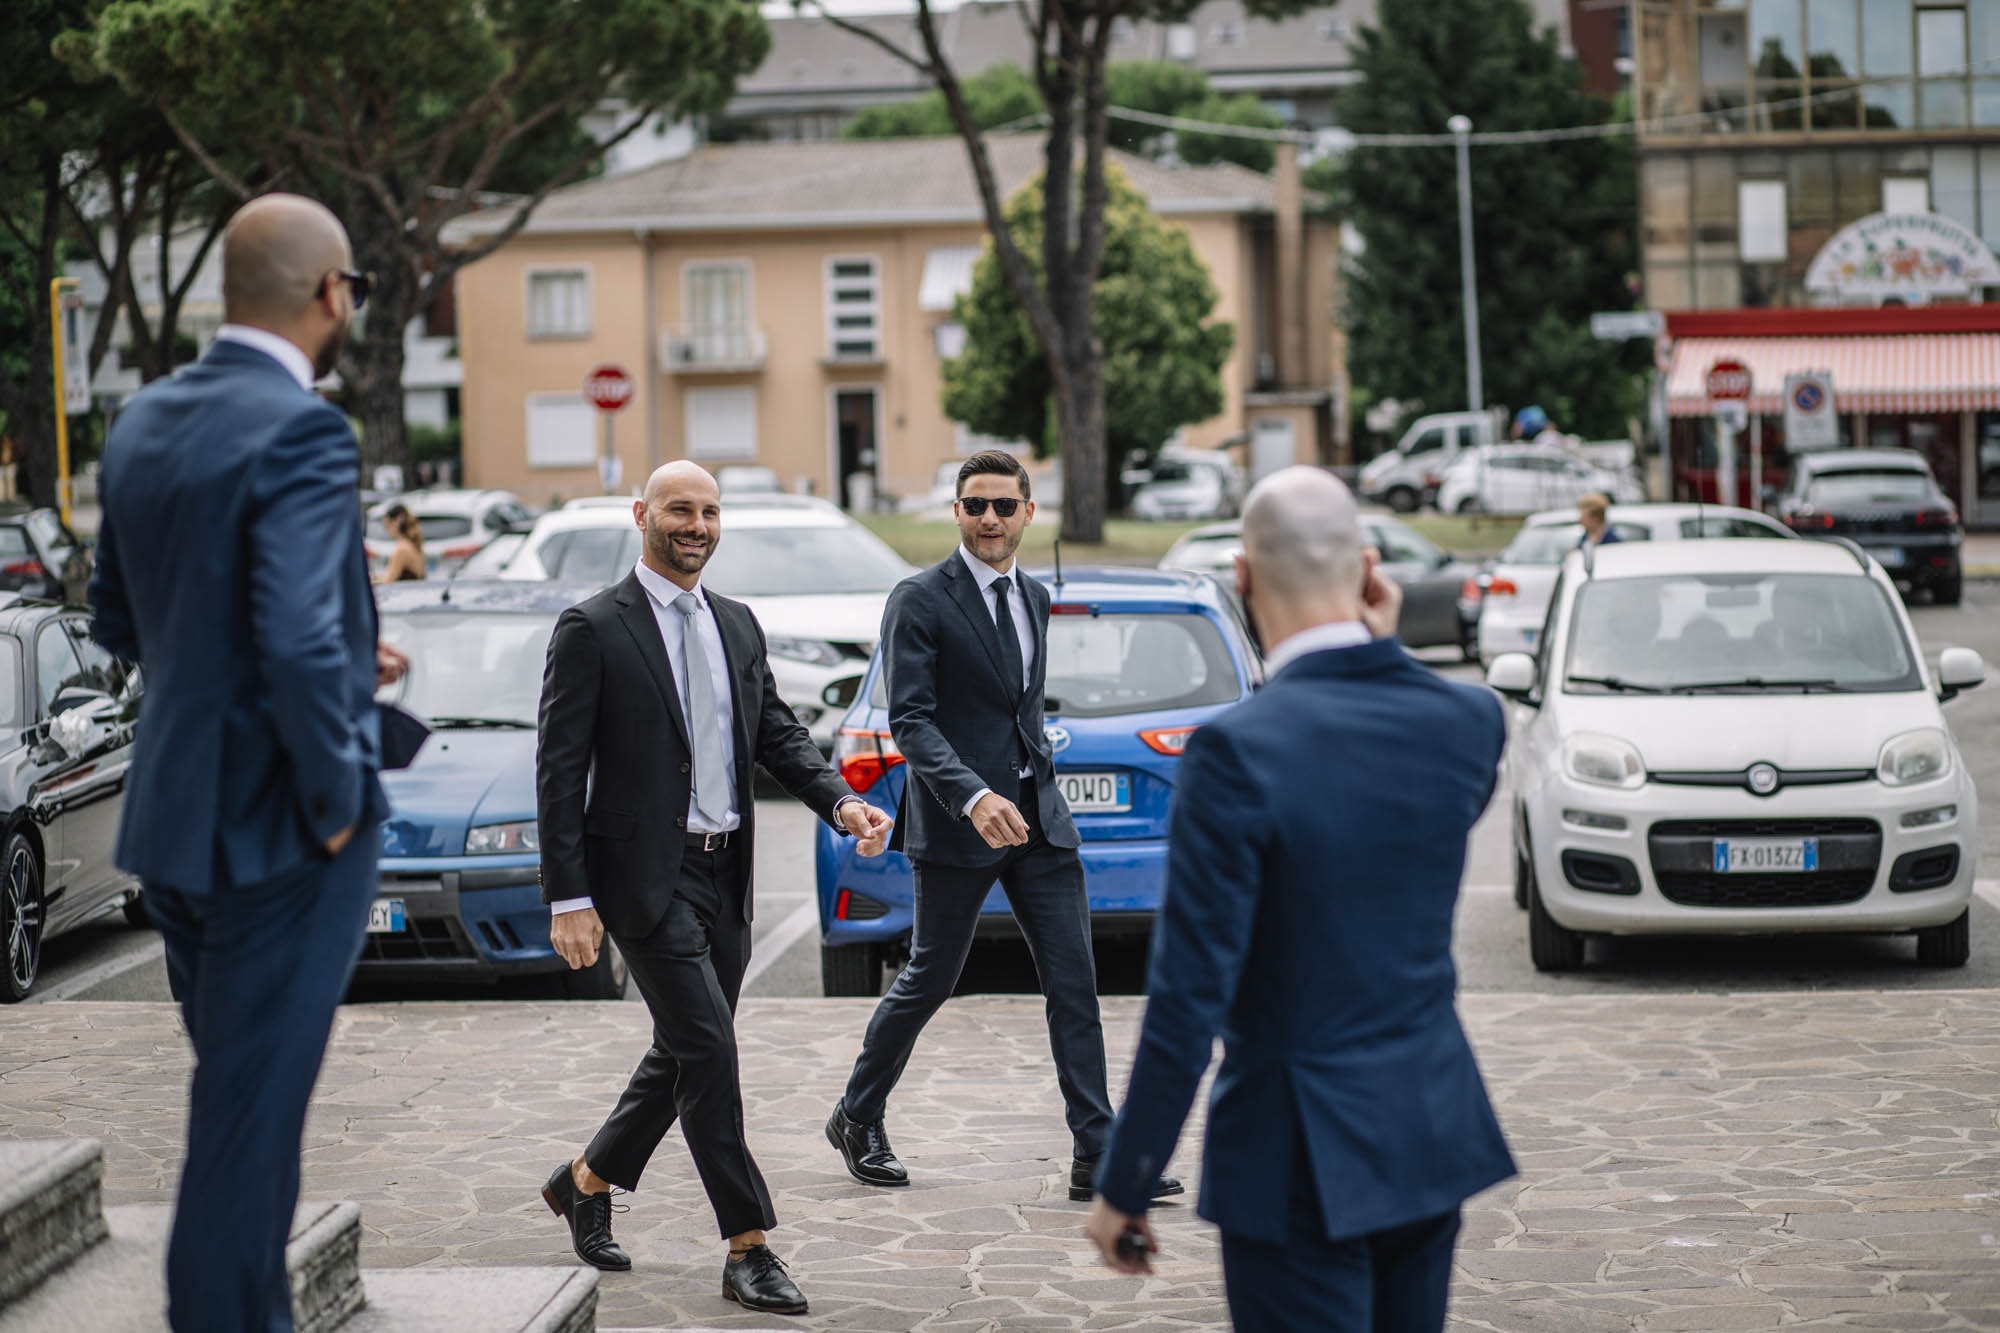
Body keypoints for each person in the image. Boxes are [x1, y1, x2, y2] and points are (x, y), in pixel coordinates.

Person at [1083, 466, 1516, 1332]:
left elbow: (1189, 996)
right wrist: (1378, 642)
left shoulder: (1237, 752)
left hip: (1296, 1155)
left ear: (1242, 578)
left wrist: (1126, 1179)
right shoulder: (1468, 721)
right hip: (1429, 1128)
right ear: (1368, 572)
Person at [88, 193, 406, 1333]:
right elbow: (294, 636)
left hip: (170, 820)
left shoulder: (141, 420)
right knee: (245, 1125)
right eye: (355, 289)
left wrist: (337, 657)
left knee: (243, 1110)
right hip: (282, 830)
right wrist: (335, 802)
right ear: (331, 294)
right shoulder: (306, 428)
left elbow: (120, 620)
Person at [535, 460, 895, 1318]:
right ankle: (749, 1245)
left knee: (686, 1048)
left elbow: (776, 730)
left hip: (725, 870)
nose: (696, 524)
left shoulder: (737, 622)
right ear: (642, 514)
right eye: (679, 509)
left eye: (709, 511)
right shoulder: (592, 626)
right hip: (643, 880)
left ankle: (584, 1180)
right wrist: (567, 897)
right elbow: (559, 771)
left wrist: (841, 800)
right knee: (710, 1049)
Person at [825, 449, 1181, 1207]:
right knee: (931, 976)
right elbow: (910, 721)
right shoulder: (919, 598)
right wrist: (972, 795)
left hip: (1040, 822)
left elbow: (1019, 709)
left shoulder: (1036, 596)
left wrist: (1028, 783)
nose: (991, 518)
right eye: (976, 504)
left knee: (1074, 980)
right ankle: (857, 1113)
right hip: (961, 825)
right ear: (956, 511)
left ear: (1027, 513)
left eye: (1004, 506)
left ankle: (1098, 1151)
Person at [373, 502, 426, 582]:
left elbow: (388, 581)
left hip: (406, 593)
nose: (387, 530)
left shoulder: (402, 549)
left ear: (397, 522)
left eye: (387, 525)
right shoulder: (411, 544)